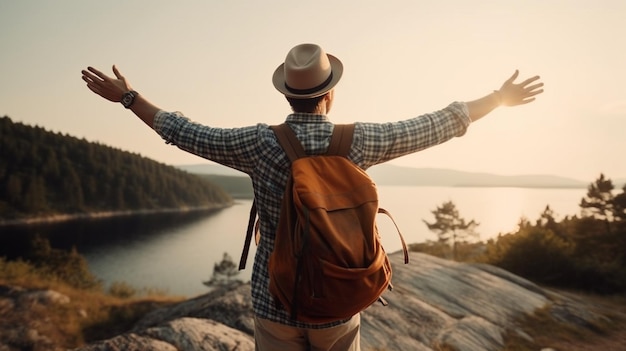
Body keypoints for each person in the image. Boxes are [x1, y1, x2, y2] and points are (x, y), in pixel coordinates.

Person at [81, 43, 543, 351]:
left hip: (273, 300)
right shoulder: (360, 141)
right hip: (340, 298)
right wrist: (498, 98)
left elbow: (181, 132)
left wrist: (129, 98)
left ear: (288, 95)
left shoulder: (258, 144)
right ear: (330, 94)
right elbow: (438, 124)